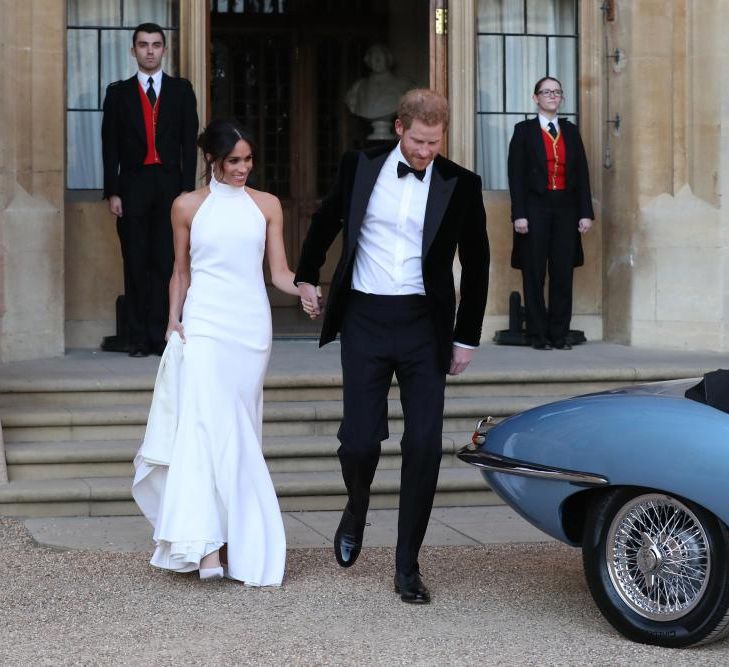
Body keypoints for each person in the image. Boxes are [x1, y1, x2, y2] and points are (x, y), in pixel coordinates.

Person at [296, 89, 489, 604]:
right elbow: (327, 219)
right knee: (359, 441)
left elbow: (478, 261)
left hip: (425, 326)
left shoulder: (461, 184)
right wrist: (306, 276)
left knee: (424, 446)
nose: (427, 151)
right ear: (400, 127)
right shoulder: (360, 165)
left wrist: (465, 337)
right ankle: (356, 506)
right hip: (364, 317)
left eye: (435, 141)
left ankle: (407, 566)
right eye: (419, 140)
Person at [132, 119, 303, 585]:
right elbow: (180, 272)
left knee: (239, 428)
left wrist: (305, 287)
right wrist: (173, 318)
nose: (243, 168)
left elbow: (280, 272)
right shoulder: (186, 206)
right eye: (234, 161)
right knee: (204, 425)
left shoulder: (266, 205)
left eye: (248, 160)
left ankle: (232, 542)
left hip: (250, 328)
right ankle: (204, 543)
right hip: (204, 323)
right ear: (213, 160)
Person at [102, 22, 199, 357]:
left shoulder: (182, 90)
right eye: (143, 45)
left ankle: (164, 333)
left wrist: (188, 191)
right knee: (136, 260)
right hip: (133, 185)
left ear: (164, 50)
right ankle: (139, 337)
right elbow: (109, 145)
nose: (149, 50)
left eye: (156, 45)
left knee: (167, 260)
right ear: (133, 51)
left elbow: (190, 143)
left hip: (171, 186)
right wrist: (113, 191)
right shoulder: (118, 92)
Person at [507, 76, 594, 351]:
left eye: (557, 92)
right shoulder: (523, 131)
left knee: (562, 272)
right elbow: (515, 176)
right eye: (546, 92)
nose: (552, 96)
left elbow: (582, 173)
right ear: (536, 98)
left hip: (566, 209)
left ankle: (559, 334)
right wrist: (518, 214)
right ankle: (538, 334)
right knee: (534, 272)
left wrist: (585, 213)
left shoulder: (570, 131)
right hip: (534, 209)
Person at [344, 44, 412, 140]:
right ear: (368, 61)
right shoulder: (358, 87)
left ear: (388, 59)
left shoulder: (403, 85)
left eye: (381, 55)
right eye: (373, 56)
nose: (377, 59)